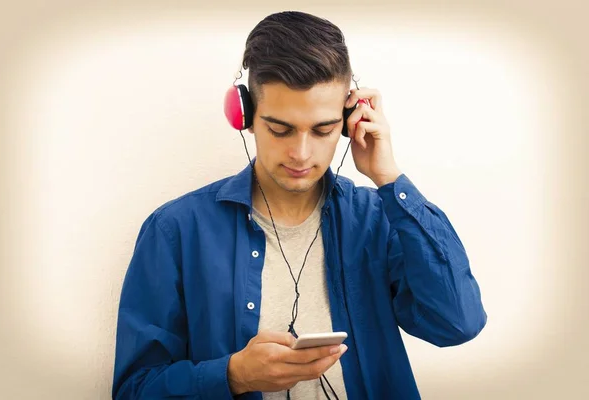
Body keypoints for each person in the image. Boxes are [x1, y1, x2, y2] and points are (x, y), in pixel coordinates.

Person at [111, 10, 487, 400]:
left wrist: (388, 178)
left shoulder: (378, 218)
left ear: (348, 118)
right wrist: (234, 375)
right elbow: (134, 391)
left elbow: (457, 323)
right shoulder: (175, 231)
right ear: (245, 117)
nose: (301, 154)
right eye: (280, 129)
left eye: (323, 129)